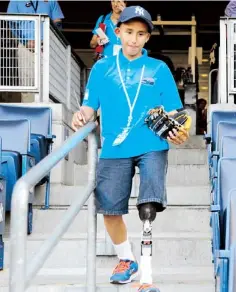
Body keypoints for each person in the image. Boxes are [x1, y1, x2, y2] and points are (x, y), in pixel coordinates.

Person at [71, 6, 189, 292]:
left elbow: (176, 112)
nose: (133, 39)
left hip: (151, 144)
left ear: (147, 38)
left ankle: (146, 276)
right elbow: (90, 105)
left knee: (148, 206)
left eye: (140, 34)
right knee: (110, 209)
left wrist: (179, 129)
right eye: (128, 32)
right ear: (118, 32)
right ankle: (127, 259)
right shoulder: (102, 68)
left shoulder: (158, 69)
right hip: (114, 148)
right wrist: (83, 115)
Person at [7, 0, 64, 102]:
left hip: (47, 47)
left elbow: (58, 22)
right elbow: (12, 24)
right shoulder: (15, 1)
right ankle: (28, 114)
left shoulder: (51, 1)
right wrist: (25, 42)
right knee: (27, 84)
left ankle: (48, 113)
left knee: (49, 84)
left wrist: (49, 40)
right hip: (25, 48)